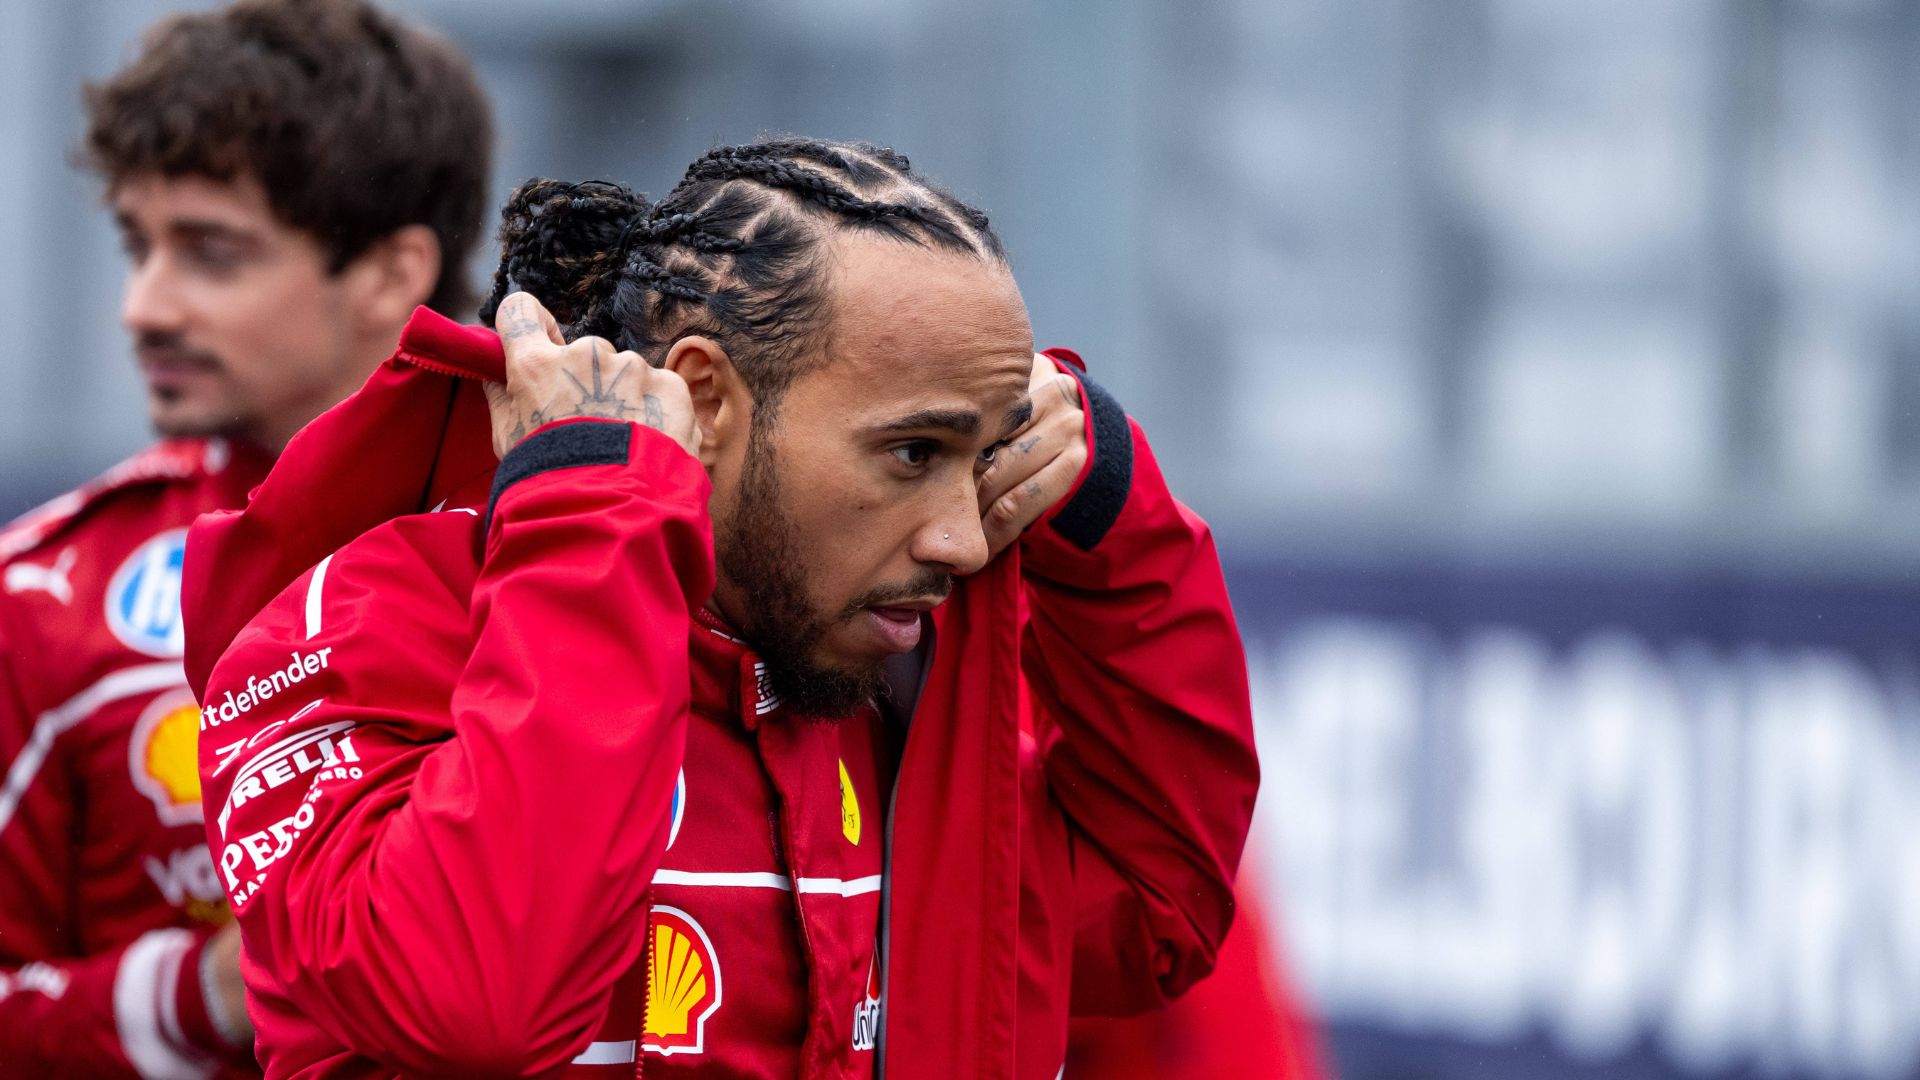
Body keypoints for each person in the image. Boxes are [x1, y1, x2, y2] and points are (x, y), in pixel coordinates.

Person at [185, 137, 1259, 1078]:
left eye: (982, 457)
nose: (962, 538)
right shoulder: (369, 624)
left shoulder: (882, 681)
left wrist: (1114, 515)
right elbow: (475, 1001)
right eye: (913, 452)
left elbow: (1156, 909)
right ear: (704, 397)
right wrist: (589, 521)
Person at [0, 2, 492, 1075]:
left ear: (391, 272)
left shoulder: (586, 548)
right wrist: (204, 994)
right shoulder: (47, 596)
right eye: (138, 246)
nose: (143, 307)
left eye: (212, 254)